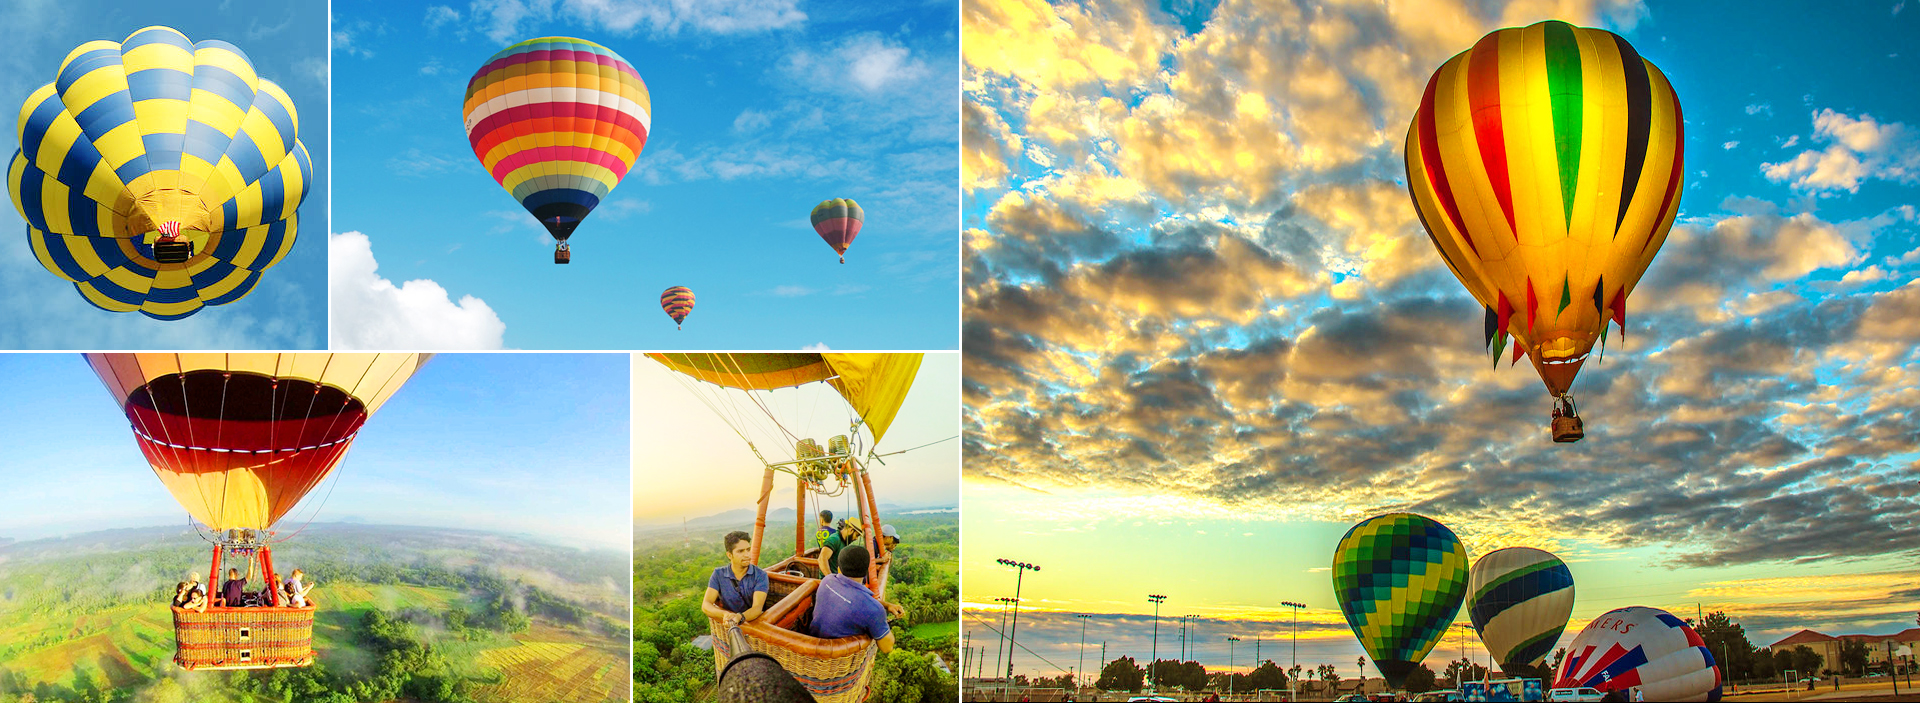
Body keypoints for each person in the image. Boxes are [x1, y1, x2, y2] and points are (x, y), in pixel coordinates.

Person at [811, 545, 901, 652]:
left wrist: (886, 605)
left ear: (839, 569)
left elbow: (850, 600)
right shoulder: (873, 609)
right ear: (866, 571)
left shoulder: (827, 581)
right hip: (838, 661)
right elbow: (887, 648)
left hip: (811, 646)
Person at [702, 531, 769, 626]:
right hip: (730, 626)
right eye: (740, 551)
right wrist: (725, 614)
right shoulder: (718, 574)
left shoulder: (760, 575)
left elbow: (757, 608)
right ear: (729, 555)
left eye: (748, 550)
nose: (747, 555)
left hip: (753, 626)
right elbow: (706, 604)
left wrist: (739, 617)